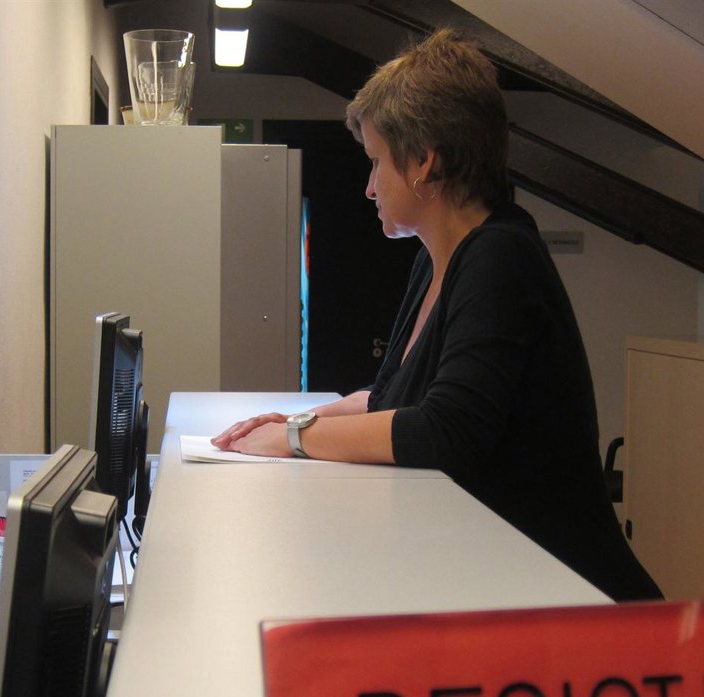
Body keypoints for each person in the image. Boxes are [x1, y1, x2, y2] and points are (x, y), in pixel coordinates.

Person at [212, 29, 661, 603]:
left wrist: (296, 438)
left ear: (425, 161)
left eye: (376, 163)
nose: (369, 187)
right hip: (510, 582)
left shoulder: (501, 255)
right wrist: (292, 420)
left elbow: (446, 430)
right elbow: (392, 395)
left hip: (575, 599)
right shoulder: (436, 259)